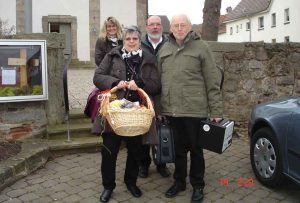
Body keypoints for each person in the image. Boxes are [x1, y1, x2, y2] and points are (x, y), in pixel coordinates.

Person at [157, 14, 223, 203]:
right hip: (172, 110)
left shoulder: (202, 47)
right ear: (171, 28)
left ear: (189, 26)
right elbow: (160, 82)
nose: (179, 28)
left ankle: (198, 185)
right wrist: (160, 108)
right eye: (176, 25)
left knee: (196, 150)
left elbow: (212, 81)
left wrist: (216, 111)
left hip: (195, 109)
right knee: (178, 150)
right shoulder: (164, 49)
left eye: (183, 25)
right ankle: (179, 182)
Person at [93, 26, 161, 202]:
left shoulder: (149, 58)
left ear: (140, 41)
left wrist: (140, 84)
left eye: (135, 39)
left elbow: (156, 85)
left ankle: (131, 182)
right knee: (109, 151)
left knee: (135, 151)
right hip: (114, 113)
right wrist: (116, 82)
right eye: (128, 39)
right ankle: (108, 186)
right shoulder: (113, 55)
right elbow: (98, 76)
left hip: (137, 115)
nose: (131, 42)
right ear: (123, 40)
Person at [139, 15, 170, 178]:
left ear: (162, 27)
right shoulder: (139, 43)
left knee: (161, 131)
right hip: (144, 94)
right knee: (144, 131)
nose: (155, 27)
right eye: (152, 24)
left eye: (158, 24)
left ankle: (161, 163)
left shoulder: (169, 43)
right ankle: (144, 165)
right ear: (147, 27)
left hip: (164, 94)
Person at [86, 16, 122, 128]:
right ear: (105, 28)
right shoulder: (101, 41)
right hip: (108, 75)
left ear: (117, 27)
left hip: (122, 74)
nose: (111, 28)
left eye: (113, 26)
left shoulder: (123, 39)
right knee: (106, 100)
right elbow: (98, 59)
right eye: (109, 26)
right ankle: (104, 123)